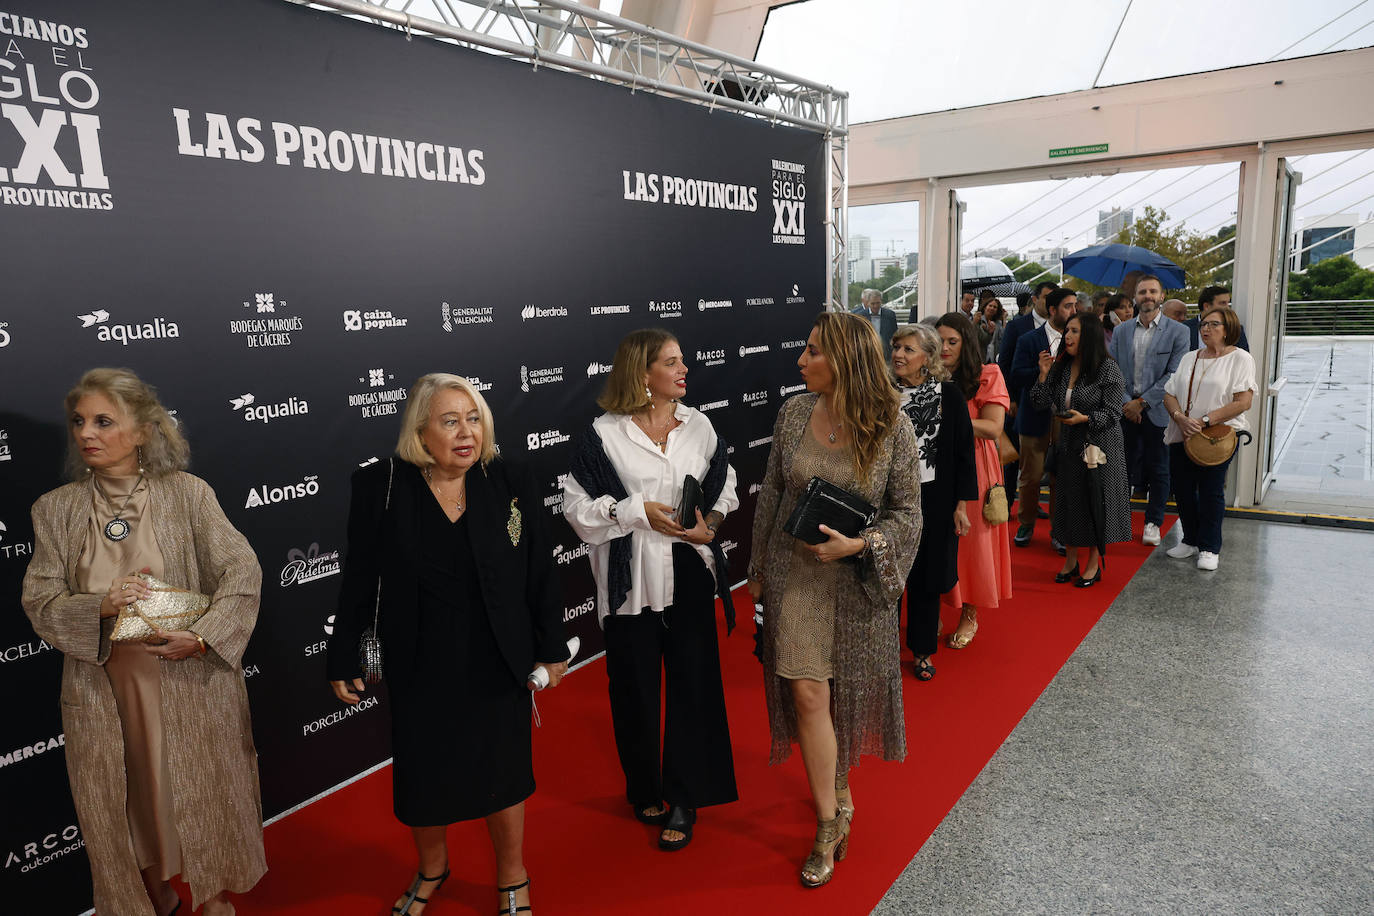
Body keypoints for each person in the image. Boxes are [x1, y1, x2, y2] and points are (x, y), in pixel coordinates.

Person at [22, 368, 265, 916]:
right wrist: (100, 605)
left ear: (143, 431)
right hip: (105, 694)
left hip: (189, 682)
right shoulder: (54, 511)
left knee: (199, 800)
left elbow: (242, 573)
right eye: (79, 422)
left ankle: (214, 900)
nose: (87, 433)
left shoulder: (188, 495)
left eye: (104, 421)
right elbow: (40, 603)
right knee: (126, 809)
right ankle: (154, 900)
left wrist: (202, 638)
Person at [327, 373, 571, 916]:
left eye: (473, 419)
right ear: (420, 431)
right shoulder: (381, 486)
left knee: (503, 769)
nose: (467, 432)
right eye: (450, 421)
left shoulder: (511, 478)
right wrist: (343, 651)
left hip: (498, 653)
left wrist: (551, 648)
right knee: (424, 771)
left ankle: (513, 876)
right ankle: (432, 868)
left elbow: (539, 572)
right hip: (420, 657)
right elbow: (361, 576)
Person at [748, 311, 920, 888]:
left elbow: (907, 514)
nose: (801, 360)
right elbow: (773, 489)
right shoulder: (793, 411)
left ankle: (840, 785)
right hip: (795, 573)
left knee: (841, 696)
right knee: (807, 691)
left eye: (813, 351)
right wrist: (757, 568)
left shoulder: (893, 422)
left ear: (845, 360)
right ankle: (829, 819)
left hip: (857, 580)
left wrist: (861, 544)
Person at [562, 329, 739, 852]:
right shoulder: (602, 435)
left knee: (693, 686)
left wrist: (714, 516)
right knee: (634, 691)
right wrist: (634, 511)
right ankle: (644, 787)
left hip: (688, 573)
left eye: (683, 360)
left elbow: (724, 480)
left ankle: (686, 796)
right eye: (672, 362)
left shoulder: (699, 425)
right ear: (643, 375)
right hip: (629, 583)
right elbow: (576, 511)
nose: (685, 370)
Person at [891, 324, 976, 680]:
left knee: (926, 580)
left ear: (927, 357)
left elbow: (963, 453)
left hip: (935, 500)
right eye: (896, 347)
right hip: (889, 500)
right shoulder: (882, 393)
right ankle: (882, 651)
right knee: (888, 578)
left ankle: (922, 651)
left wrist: (961, 506)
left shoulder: (949, 395)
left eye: (909, 349)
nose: (898, 354)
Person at [1029, 314, 1132, 587]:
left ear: (1090, 335)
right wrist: (1042, 374)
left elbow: (1113, 413)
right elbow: (1039, 402)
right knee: (1069, 501)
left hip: (1100, 446)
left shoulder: (1107, 368)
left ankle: (1093, 564)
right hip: (1069, 444)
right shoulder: (1061, 366)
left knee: (1096, 501)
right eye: (1067, 331)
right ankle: (1071, 560)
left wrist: (1085, 419)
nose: (1068, 336)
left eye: (1075, 331)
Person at [935, 312, 1013, 646]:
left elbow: (994, 428)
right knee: (934, 539)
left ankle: (970, 613)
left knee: (973, 543)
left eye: (952, 341)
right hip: (933, 464)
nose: (944, 348)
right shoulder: (926, 373)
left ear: (967, 343)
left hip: (977, 466)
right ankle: (932, 609)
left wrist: (947, 419)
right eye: (939, 341)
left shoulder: (987, 374)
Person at [1162, 307, 1257, 571]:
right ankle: (1190, 539)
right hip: (1184, 432)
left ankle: (1209, 546)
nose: (1206, 329)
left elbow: (1243, 401)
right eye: (1203, 324)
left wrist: (1205, 421)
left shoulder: (1241, 358)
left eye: (1214, 324)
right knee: (1181, 488)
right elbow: (1169, 394)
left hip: (1218, 435)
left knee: (1210, 491)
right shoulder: (1189, 358)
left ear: (1228, 328)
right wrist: (1180, 417)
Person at [1108, 274, 1189, 548]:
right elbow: (1114, 370)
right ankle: (1119, 520)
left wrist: (1141, 402)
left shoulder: (1179, 332)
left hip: (1157, 410)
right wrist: (1126, 401)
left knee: (1159, 469)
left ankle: (1153, 522)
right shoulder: (1121, 331)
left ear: (1162, 296)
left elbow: (1174, 374)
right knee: (1122, 467)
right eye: (1143, 292)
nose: (1148, 296)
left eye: (1153, 292)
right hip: (1125, 410)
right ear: (1135, 297)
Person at [1009, 287, 1079, 549]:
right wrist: (1040, 373)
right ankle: (1026, 523)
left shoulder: (1077, 339)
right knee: (1031, 477)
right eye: (1068, 306)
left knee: (1062, 477)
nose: (1074, 311)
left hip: (1066, 419)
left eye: (1075, 306)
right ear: (1052, 310)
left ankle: (1059, 531)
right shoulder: (1029, 339)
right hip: (1034, 417)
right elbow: (1015, 375)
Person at [998, 281, 1058, 509]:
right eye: (1046, 298)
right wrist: (1009, 398)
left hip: (1052, 408)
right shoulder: (1018, 327)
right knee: (1016, 458)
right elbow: (1005, 364)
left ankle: (1032, 506)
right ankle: (1008, 504)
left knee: (1045, 466)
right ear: (1035, 298)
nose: (1051, 304)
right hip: (1020, 401)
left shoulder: (1065, 328)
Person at [1185, 286, 1250, 351]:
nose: (1227, 308)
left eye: (1228, 303)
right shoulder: (1185, 328)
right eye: (1223, 303)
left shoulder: (1234, 328)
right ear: (1206, 306)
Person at [975, 292, 1007, 363]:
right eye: (990, 306)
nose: (992, 308)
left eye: (995, 307)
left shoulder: (998, 323)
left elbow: (1003, 337)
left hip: (993, 357)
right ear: (985, 307)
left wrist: (1004, 319)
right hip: (980, 357)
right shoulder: (979, 320)